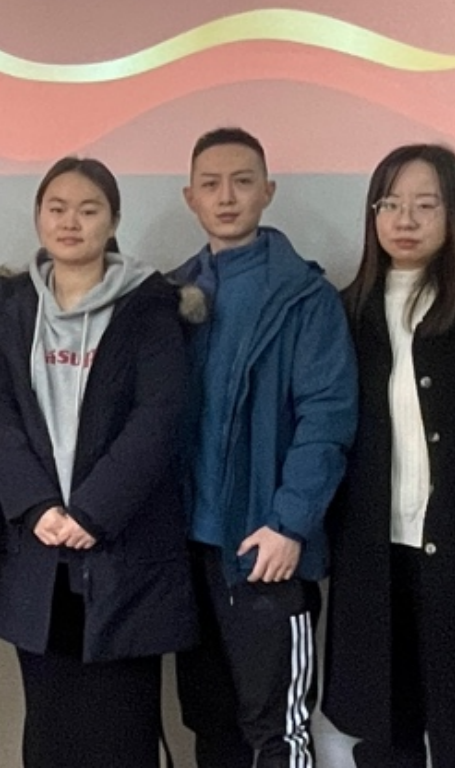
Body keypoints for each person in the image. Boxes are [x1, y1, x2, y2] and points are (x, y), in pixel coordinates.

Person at [0, 157, 196, 768]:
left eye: (89, 210)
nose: (71, 222)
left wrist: (93, 512)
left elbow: (157, 420)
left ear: (112, 221)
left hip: (123, 551)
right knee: (51, 728)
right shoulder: (11, 311)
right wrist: (38, 506)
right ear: (39, 217)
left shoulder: (150, 307)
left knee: (121, 732)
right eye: (57, 208)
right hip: (39, 550)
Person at [320, 145, 455, 768]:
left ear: (453, 214)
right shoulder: (344, 314)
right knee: (384, 732)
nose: (405, 220)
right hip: (370, 555)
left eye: (425, 205)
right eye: (389, 204)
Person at [171, 126, 358, 768]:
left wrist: (290, 525)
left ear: (267, 191)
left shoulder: (304, 297)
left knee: (276, 728)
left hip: (266, 547)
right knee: (209, 723)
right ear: (191, 197)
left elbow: (326, 420)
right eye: (211, 184)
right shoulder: (172, 295)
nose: (227, 197)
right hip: (191, 549)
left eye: (242, 181)